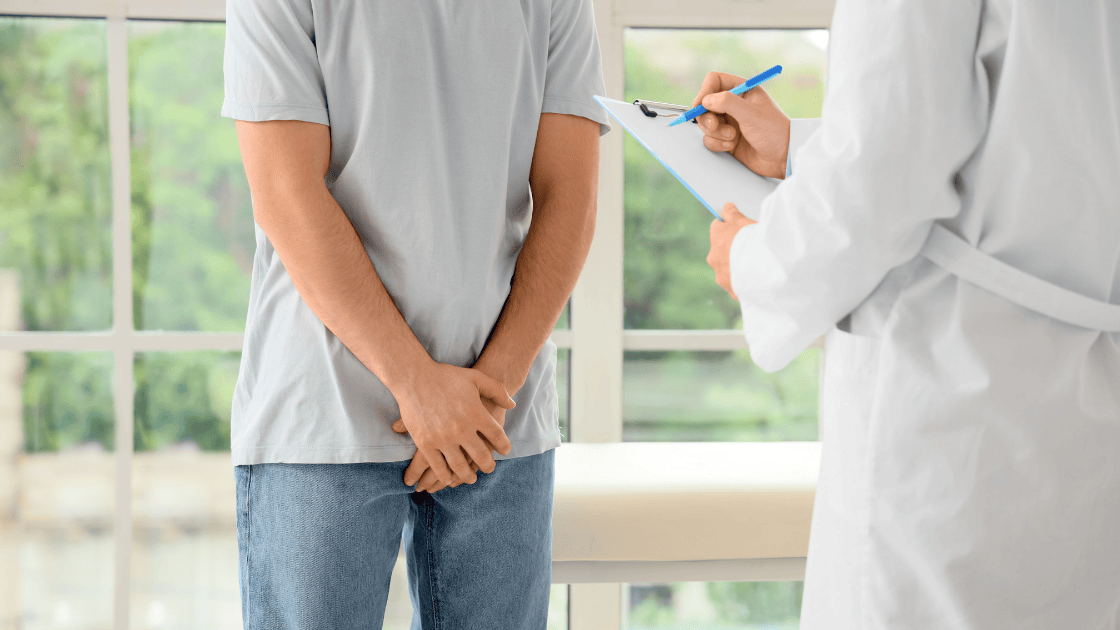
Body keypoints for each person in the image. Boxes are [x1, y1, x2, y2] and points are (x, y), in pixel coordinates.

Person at [695, 1, 1120, 628]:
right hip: (1082, 420)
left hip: (955, 421)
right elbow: (1038, 136)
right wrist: (803, 152)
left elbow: (878, 183)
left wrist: (754, 257)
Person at [220, 0, 610, 626]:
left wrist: (484, 396)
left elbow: (572, 198)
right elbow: (287, 194)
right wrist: (420, 386)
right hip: (327, 415)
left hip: (497, 422)